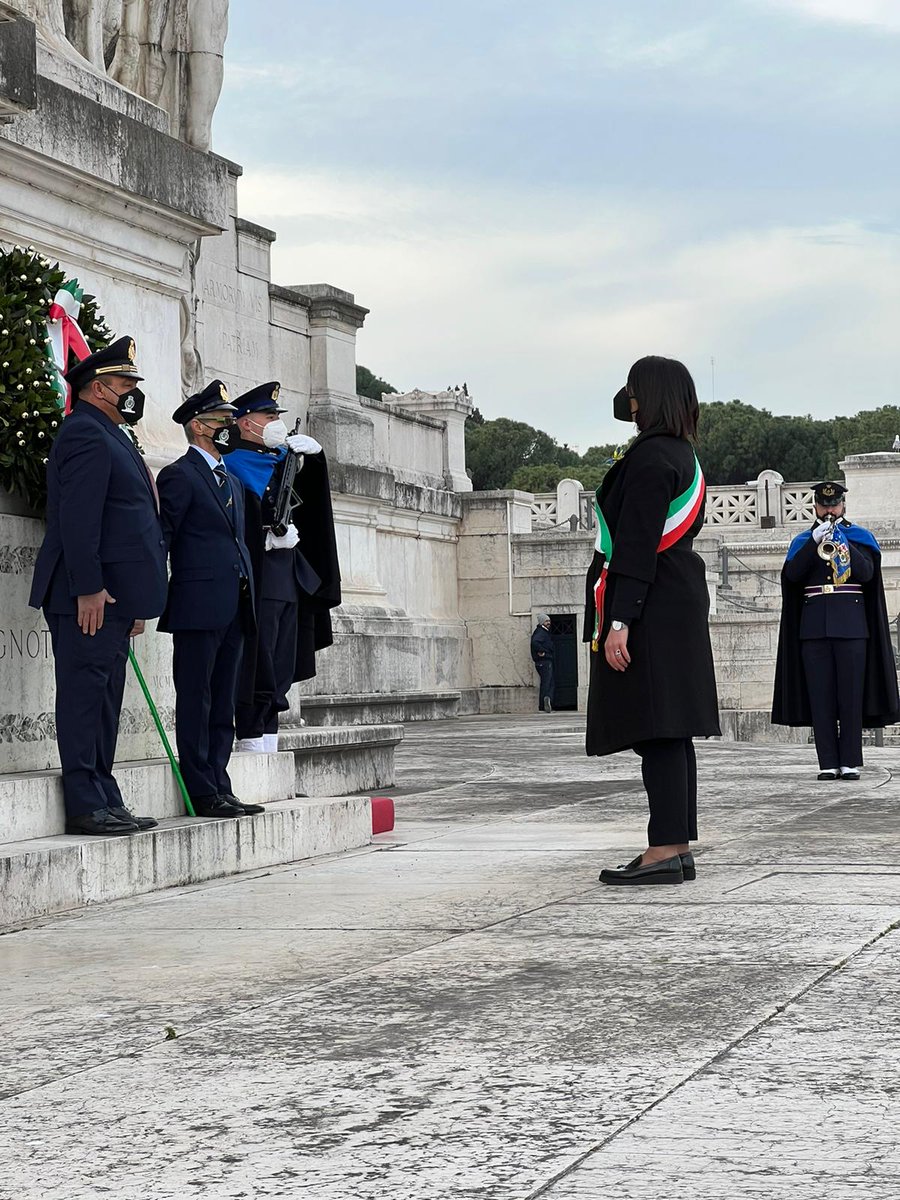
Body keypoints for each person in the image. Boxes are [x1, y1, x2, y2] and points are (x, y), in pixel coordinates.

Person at [584, 356, 720, 886]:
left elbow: (637, 544)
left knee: (659, 730)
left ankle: (664, 849)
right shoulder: (683, 454)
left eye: (635, 390)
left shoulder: (648, 459)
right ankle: (676, 844)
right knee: (672, 729)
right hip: (675, 597)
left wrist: (620, 621)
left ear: (650, 396)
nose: (629, 399)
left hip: (651, 602)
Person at [29, 336, 166, 836]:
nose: (133, 391)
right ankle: (86, 803)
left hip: (113, 597)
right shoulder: (84, 433)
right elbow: (78, 519)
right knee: (85, 696)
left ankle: (105, 794)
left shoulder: (113, 434)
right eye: (126, 383)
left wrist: (130, 601)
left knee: (106, 699)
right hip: (86, 594)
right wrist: (88, 587)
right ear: (98, 388)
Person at [155, 381, 264, 819]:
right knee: (196, 698)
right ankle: (200, 789)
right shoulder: (180, 475)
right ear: (199, 426)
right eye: (222, 421)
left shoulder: (233, 481)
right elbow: (164, 539)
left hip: (235, 604)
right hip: (197, 606)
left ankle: (220, 782)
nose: (230, 427)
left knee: (223, 700)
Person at [220, 382, 341, 752]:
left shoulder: (280, 459)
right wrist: (266, 535)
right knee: (263, 660)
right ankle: (254, 740)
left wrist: (316, 460)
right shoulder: (235, 463)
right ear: (244, 422)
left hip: (289, 576)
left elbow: (311, 507)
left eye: (277, 416)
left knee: (284, 660)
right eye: (268, 416)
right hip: (263, 575)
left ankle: (269, 739)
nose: (275, 422)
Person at [772, 482, 899, 779]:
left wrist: (844, 544)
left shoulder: (860, 537)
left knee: (850, 697)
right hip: (814, 628)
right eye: (824, 504)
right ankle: (828, 763)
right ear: (815, 506)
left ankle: (850, 762)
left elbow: (867, 574)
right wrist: (812, 543)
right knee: (821, 697)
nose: (830, 509)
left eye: (835, 504)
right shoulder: (804, 540)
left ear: (843, 505)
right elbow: (792, 575)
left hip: (852, 626)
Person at [530, 614, 555, 712]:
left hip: (543, 661)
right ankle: (546, 701)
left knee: (546, 682)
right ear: (541, 622)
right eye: (546, 621)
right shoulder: (541, 632)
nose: (548, 623)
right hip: (544, 661)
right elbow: (535, 643)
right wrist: (542, 651)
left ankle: (545, 702)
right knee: (547, 683)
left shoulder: (543, 632)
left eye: (549, 621)